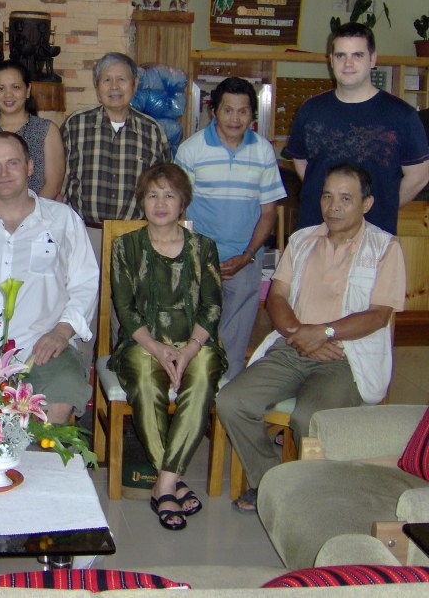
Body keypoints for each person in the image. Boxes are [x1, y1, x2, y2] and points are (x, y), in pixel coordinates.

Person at [217, 163, 406, 515]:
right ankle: (271, 483)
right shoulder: (302, 240)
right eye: (327, 196)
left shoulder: (385, 248)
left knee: (310, 418)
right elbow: (277, 297)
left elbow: (379, 315)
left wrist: (323, 333)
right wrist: (297, 334)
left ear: (366, 203)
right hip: (293, 345)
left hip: (344, 356)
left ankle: (312, 495)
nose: (333, 206)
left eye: (345, 199)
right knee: (232, 401)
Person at [0, 131, 98, 424]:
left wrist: (61, 332)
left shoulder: (62, 219)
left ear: (30, 167)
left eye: (12, 163)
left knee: (61, 393)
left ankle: (41, 467)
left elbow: (84, 283)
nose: (3, 173)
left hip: (44, 346)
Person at [110, 163, 226, 530]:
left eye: (169, 195)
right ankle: (172, 482)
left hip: (196, 341)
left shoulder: (204, 248)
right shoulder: (124, 246)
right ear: (142, 202)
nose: (160, 203)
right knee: (145, 381)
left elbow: (212, 306)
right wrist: (159, 350)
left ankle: (163, 484)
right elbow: (125, 310)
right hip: (141, 340)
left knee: (204, 375)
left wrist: (189, 350)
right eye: (152, 195)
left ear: (183, 203)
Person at [176, 77, 287, 379]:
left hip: (244, 262)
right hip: (199, 262)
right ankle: (192, 414)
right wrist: (193, 255)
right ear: (214, 111)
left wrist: (248, 256)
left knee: (233, 347)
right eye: (228, 110)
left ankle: (223, 417)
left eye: (243, 111)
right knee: (192, 339)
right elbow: (179, 209)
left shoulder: (263, 152)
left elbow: (268, 212)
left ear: (253, 115)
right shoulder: (191, 150)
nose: (235, 119)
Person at [284, 22, 429, 235]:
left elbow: (419, 176)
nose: (348, 64)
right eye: (341, 55)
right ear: (331, 60)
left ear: (373, 59)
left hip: (373, 237)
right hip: (316, 234)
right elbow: (302, 163)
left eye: (357, 55)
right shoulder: (310, 110)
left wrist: (377, 208)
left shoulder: (401, 115)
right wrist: (334, 205)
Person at [62, 52, 172, 234]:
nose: (114, 87)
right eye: (106, 80)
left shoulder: (152, 131)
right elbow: (61, 182)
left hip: (133, 234)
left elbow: (164, 187)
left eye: (121, 79)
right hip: (82, 232)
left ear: (135, 84)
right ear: (97, 87)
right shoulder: (76, 125)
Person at [0, 59, 65, 201]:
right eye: (1, 88)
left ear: (28, 90)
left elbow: (53, 185)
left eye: (16, 87)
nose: (8, 95)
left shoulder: (47, 130)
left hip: (41, 216)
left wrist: (30, 217)